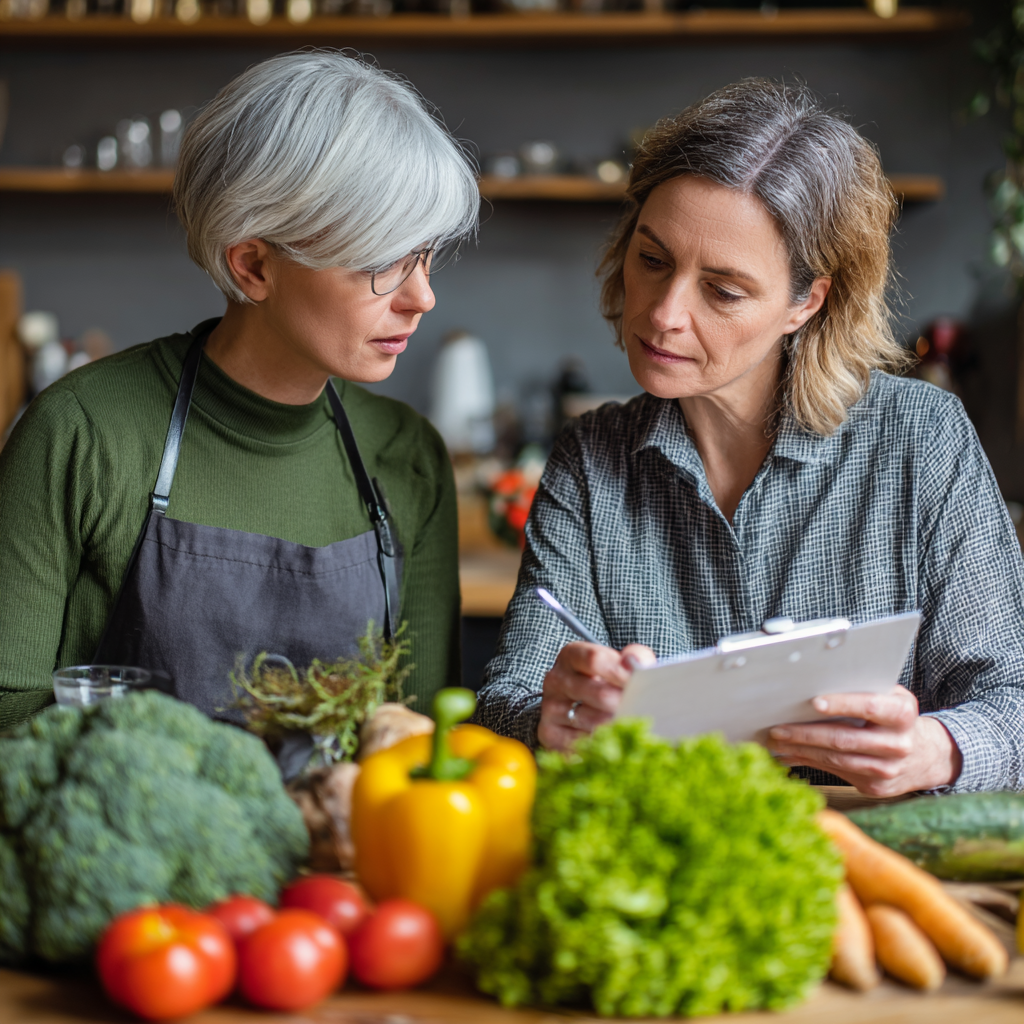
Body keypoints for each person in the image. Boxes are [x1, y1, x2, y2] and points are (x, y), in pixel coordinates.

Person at [475, 78, 1024, 796]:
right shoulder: (590, 460)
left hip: (871, 874)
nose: (665, 311)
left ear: (806, 301)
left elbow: (1013, 705)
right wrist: (556, 718)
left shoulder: (921, 440)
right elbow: (506, 701)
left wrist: (936, 749)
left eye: (723, 290)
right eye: (652, 259)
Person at [0, 51, 479, 729]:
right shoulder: (79, 432)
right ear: (253, 265)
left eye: (426, 254)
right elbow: (8, 723)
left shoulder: (408, 456)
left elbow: (423, 742)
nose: (422, 297)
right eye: (381, 262)